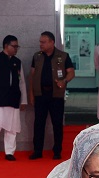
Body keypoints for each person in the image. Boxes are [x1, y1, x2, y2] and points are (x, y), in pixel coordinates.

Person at [28, 31, 75, 160]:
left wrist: (64, 81)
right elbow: (32, 76)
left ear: (51, 42)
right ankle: (37, 151)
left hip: (56, 95)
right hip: (40, 94)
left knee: (57, 124)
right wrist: (31, 95)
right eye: (40, 42)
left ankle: (57, 151)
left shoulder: (63, 56)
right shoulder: (37, 56)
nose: (40, 44)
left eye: (43, 42)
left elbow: (71, 72)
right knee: (38, 123)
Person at [0, 35, 27, 162]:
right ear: (6, 46)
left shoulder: (17, 62)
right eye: (14, 46)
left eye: (17, 46)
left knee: (12, 128)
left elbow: (21, 82)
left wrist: (24, 100)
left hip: (13, 99)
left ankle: (9, 152)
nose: (16, 48)